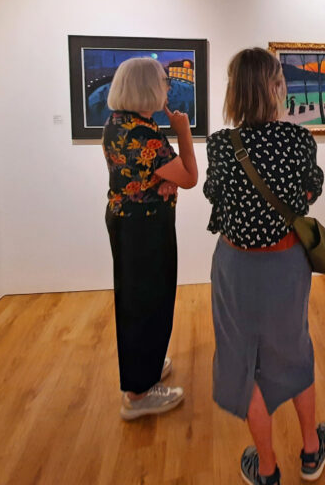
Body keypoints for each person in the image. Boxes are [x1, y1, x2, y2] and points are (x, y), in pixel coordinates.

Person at [204, 48, 325, 485]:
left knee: (244, 362)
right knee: (293, 349)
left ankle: (265, 468)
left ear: (234, 91)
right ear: (275, 87)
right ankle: (311, 452)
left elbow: (214, 196)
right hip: (284, 264)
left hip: (235, 268)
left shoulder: (223, 146)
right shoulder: (299, 140)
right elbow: (310, 192)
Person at [102, 57, 198, 420]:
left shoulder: (118, 123)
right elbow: (189, 176)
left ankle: (144, 370)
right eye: (162, 81)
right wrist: (183, 130)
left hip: (127, 221)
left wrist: (160, 179)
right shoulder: (144, 134)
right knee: (149, 303)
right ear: (146, 86)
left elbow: (144, 175)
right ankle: (139, 394)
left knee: (136, 301)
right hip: (145, 228)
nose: (168, 87)